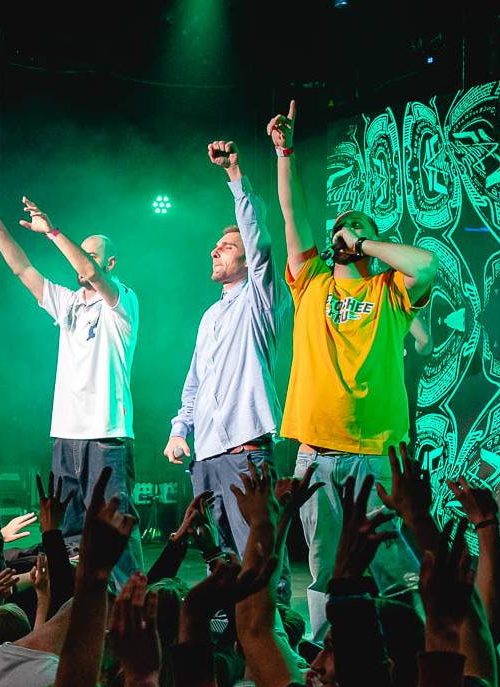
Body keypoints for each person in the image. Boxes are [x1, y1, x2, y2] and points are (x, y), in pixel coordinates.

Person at [269, 99, 435, 636]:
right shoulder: (311, 282)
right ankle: (324, 654)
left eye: (357, 228)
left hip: (374, 452)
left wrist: (363, 241)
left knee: (393, 571)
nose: (344, 231)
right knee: (324, 570)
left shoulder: (389, 291)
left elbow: (427, 264)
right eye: (340, 227)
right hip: (315, 453)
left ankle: (408, 652)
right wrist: (285, 152)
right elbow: (292, 214)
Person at [0, 185, 142, 581]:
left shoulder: (122, 301)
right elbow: (23, 270)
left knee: (113, 529)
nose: (81, 260)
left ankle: (132, 601)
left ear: (110, 262)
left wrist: (52, 232)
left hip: (106, 434)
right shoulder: (70, 303)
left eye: (91, 253)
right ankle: (73, 604)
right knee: (68, 535)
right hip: (65, 435)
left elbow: (90, 273)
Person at [165, 139, 286, 577]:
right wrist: (180, 430)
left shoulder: (260, 300)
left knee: (258, 557)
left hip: (245, 450)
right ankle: (225, 623)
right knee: (220, 563)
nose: (215, 250)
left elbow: (261, 246)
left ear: (247, 259)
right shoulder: (210, 315)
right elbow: (195, 384)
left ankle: (273, 620)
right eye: (216, 245)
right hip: (207, 456)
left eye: (228, 246)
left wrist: (235, 177)